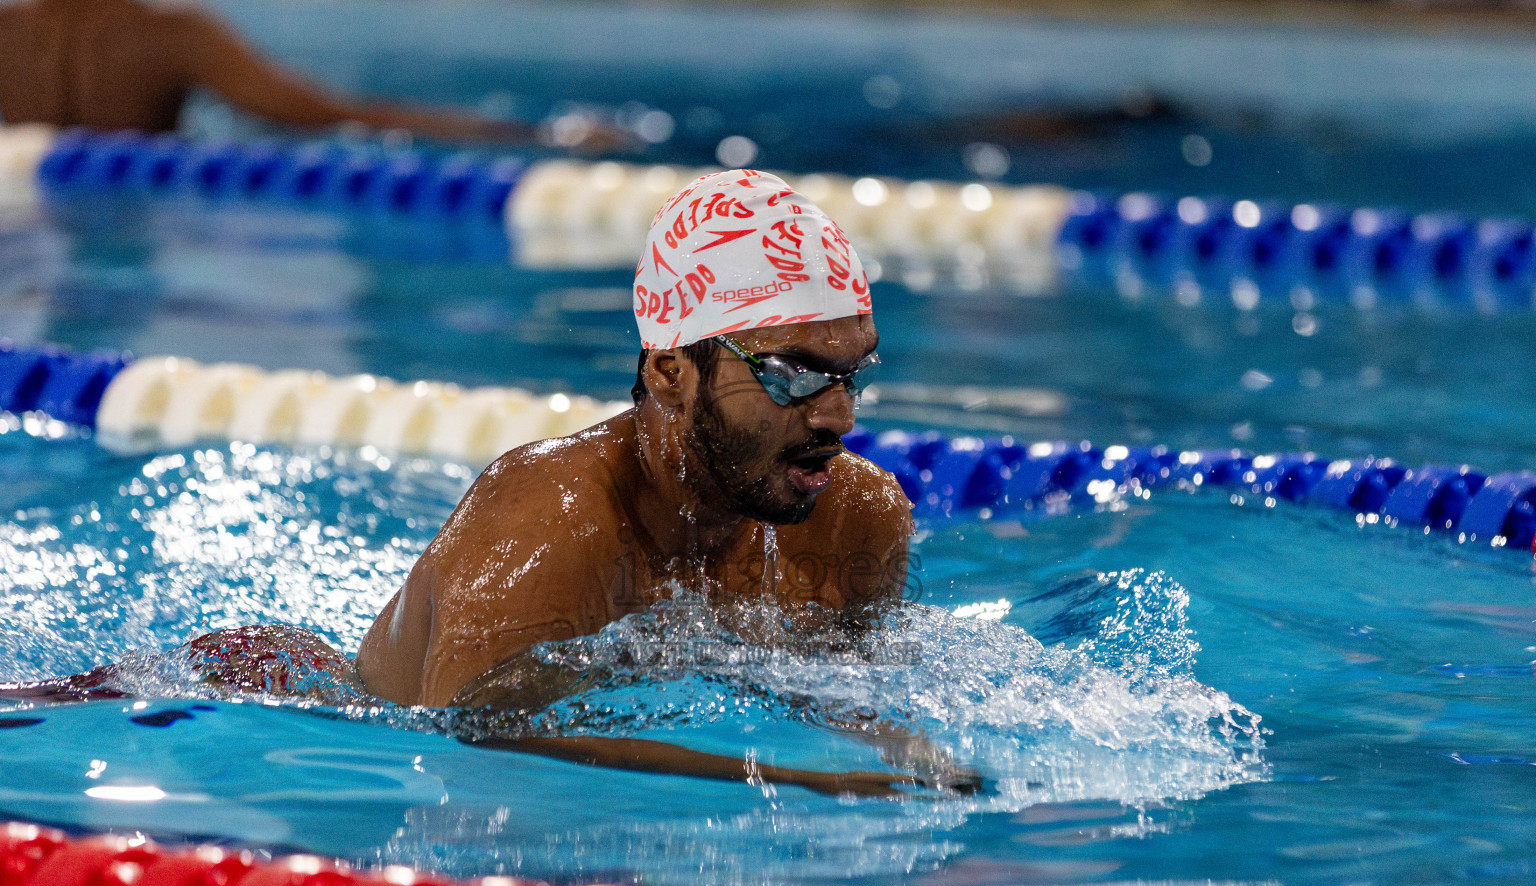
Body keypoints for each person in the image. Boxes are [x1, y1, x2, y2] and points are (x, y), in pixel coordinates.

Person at [14, 170, 976, 798]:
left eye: (852, 375)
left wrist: (889, 747)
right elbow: (476, 744)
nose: (840, 418)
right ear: (672, 370)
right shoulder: (549, 525)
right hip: (285, 701)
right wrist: (797, 784)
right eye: (795, 376)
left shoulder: (857, 518)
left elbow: (826, 692)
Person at [0, 0, 605, 145]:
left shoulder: (9, 31)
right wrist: (536, 135)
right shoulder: (169, 37)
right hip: (134, 222)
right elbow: (330, 115)